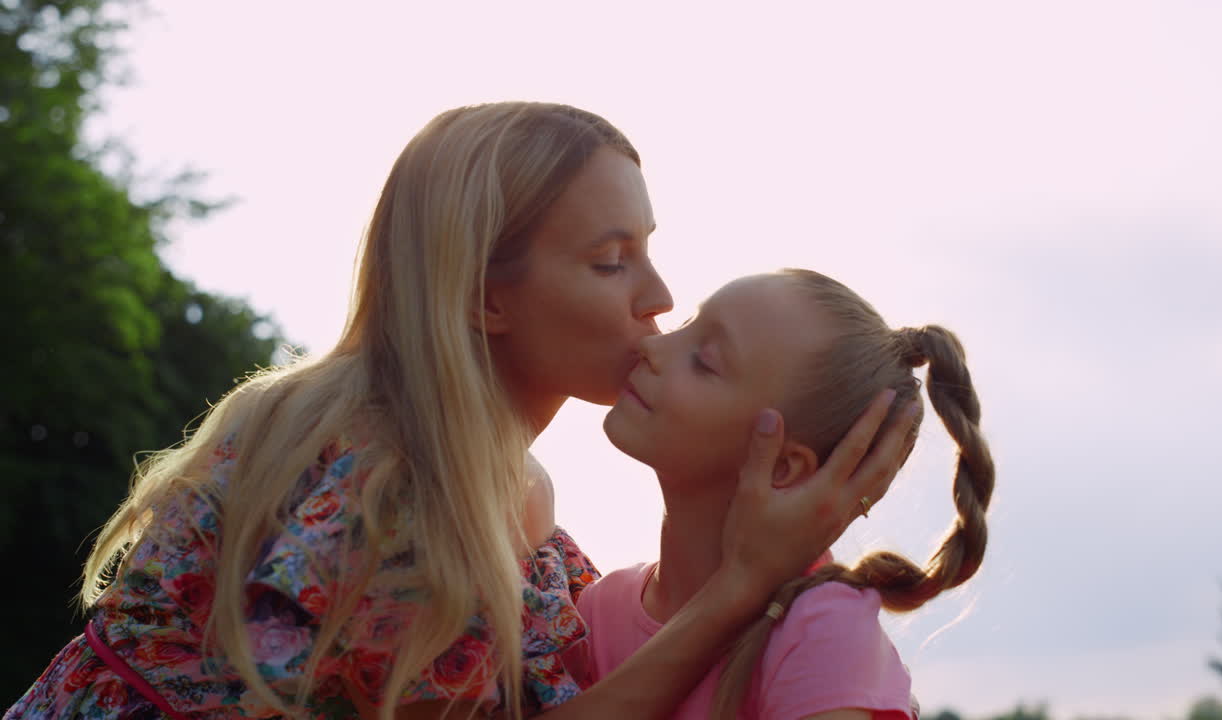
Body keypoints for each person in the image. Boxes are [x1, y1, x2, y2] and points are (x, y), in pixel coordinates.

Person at [4, 104, 919, 720]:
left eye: (648, 249)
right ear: (486, 298)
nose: (658, 295)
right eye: (611, 260)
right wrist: (741, 585)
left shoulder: (419, 459)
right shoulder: (384, 485)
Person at [579, 269, 994, 720]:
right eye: (684, 326)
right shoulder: (598, 607)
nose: (651, 345)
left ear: (783, 466)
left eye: (704, 360)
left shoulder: (822, 629)